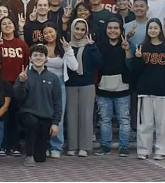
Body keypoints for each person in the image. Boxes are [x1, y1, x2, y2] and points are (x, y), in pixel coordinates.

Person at [132, 19, 165, 160]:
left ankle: (160, 150)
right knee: (145, 124)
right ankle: (144, 150)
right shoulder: (142, 46)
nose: (152, 30)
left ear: (160, 30)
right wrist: (138, 58)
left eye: (155, 27)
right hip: (145, 91)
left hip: (162, 91)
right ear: (147, 30)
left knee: (161, 124)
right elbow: (136, 71)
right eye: (150, 28)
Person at [14, 44, 63, 167]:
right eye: (35, 55)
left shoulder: (54, 78)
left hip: (45, 117)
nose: (38, 58)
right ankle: (29, 155)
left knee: (40, 158)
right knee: (32, 122)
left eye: (41, 55)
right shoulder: (24, 75)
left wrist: (55, 123)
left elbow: (58, 103)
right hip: (27, 114)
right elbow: (18, 97)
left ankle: (35, 153)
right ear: (30, 58)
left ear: (46, 58)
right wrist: (21, 82)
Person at [95, 19, 133, 157]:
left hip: (122, 89)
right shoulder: (99, 46)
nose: (112, 30)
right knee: (104, 120)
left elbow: (131, 66)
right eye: (110, 27)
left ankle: (124, 146)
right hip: (103, 89)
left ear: (120, 30)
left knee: (124, 119)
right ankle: (105, 145)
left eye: (116, 28)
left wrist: (127, 50)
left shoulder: (127, 45)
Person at [0, 15, 29, 156]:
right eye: (4, 24)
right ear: (0, 28)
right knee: (2, 116)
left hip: (17, 84)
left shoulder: (21, 44)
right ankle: (2, 144)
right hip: (1, 84)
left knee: (15, 115)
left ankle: (15, 145)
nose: (7, 25)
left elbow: (26, 62)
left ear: (14, 26)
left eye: (9, 23)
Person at [65, 18, 102, 157]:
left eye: (82, 29)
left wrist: (92, 46)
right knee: (72, 115)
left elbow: (99, 62)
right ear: (72, 29)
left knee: (86, 115)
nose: (79, 32)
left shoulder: (90, 45)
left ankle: (85, 147)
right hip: (70, 84)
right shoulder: (67, 45)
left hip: (87, 83)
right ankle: (73, 146)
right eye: (77, 28)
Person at [40, 23, 78, 158]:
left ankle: (56, 146)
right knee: (43, 115)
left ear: (56, 32)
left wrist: (69, 50)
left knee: (58, 116)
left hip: (59, 83)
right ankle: (43, 145)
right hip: (42, 84)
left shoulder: (63, 48)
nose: (48, 35)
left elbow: (74, 67)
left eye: (51, 32)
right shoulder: (40, 48)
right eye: (45, 33)